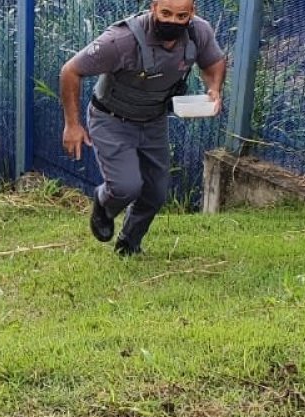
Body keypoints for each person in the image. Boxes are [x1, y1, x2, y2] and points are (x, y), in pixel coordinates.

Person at [59, 0, 227, 256]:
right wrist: (72, 125)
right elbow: (70, 71)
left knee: (156, 192)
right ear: (154, 7)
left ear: (191, 13)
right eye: (166, 13)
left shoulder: (198, 32)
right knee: (126, 186)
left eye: (181, 16)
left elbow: (214, 62)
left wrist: (214, 88)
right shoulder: (120, 41)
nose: (172, 21)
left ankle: (129, 242)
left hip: (154, 121)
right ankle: (104, 203)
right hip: (111, 119)